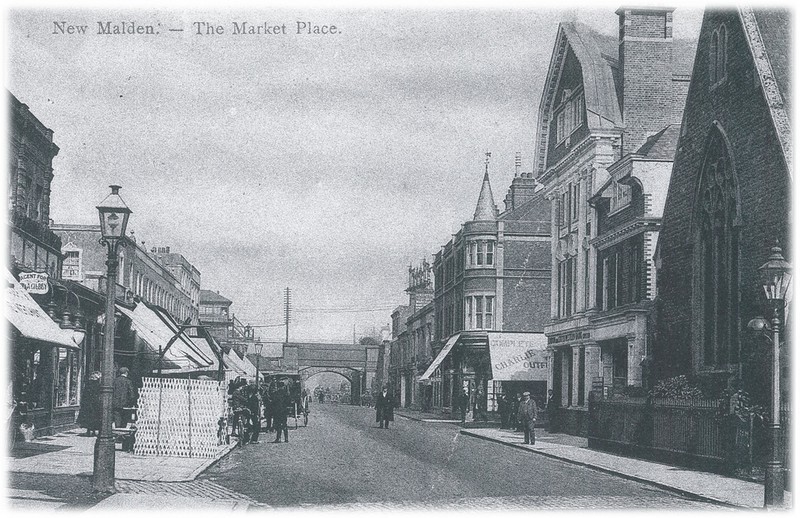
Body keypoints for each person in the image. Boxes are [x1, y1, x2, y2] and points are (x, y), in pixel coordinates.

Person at [78, 371, 102, 436]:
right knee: (95, 417)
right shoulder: (98, 384)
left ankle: (89, 430)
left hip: (87, 403)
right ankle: (94, 430)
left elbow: (85, 394)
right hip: (95, 403)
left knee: (89, 417)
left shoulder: (88, 384)